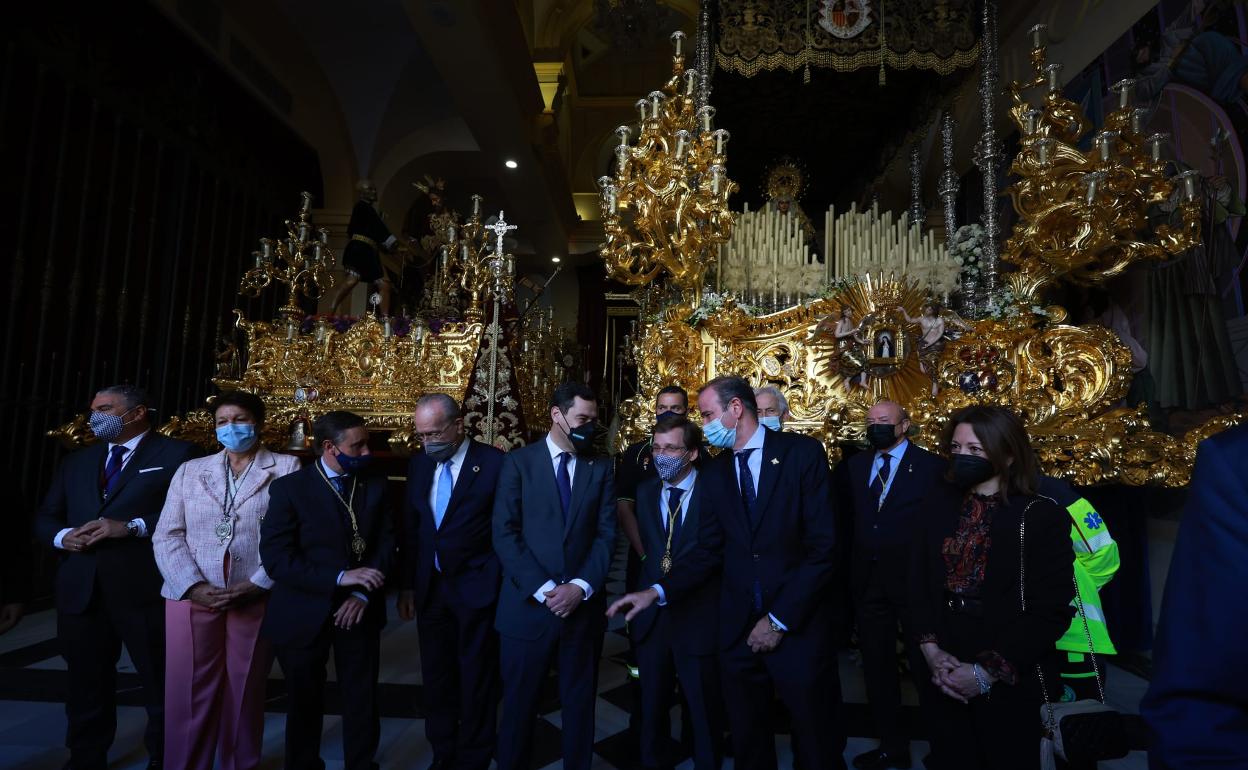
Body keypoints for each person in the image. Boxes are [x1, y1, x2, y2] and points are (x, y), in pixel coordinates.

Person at [609, 375, 846, 770]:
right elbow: (708, 551)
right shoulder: (717, 474)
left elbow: (823, 548)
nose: (704, 425)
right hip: (736, 628)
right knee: (748, 739)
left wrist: (778, 619)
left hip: (796, 621)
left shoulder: (801, 454)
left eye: (706, 414)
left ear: (735, 409)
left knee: (814, 739)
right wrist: (656, 592)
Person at [34, 384, 200, 769]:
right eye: (93, 409)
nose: (95, 417)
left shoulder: (178, 455)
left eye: (105, 408)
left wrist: (133, 526)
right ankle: (85, 758)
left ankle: (166, 758)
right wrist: (63, 536)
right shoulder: (77, 461)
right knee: (85, 685)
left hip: (144, 587)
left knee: (161, 683)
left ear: (137, 412)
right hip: (82, 589)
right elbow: (46, 516)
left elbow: (196, 514)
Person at [909, 406, 1074, 770]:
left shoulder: (1039, 515)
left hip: (1009, 659)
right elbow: (916, 580)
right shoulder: (937, 506)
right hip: (943, 656)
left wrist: (985, 673)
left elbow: (1052, 609)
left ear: (1009, 454)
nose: (961, 457)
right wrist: (932, 652)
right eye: (956, 448)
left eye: (975, 450)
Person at [153, 390, 300, 770]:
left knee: (245, 687)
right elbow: (167, 533)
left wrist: (259, 582)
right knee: (187, 691)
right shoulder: (190, 470)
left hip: (253, 592)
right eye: (222, 422)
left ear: (258, 423)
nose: (230, 428)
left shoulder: (286, 468)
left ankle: (241, 763)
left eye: (239, 419)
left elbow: (295, 535)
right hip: (190, 594)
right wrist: (192, 586)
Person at [260, 410, 395, 770]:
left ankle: (361, 764)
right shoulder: (290, 489)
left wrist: (362, 593)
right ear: (329, 447)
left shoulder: (375, 483)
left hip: (360, 608)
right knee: (304, 699)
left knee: (361, 695)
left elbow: (388, 544)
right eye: (358, 445)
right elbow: (277, 559)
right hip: (303, 610)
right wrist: (339, 578)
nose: (367, 452)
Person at [493, 382, 618, 770]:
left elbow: (606, 534)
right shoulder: (519, 463)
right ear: (557, 415)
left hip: (581, 610)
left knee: (580, 705)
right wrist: (549, 590)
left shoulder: (601, 467)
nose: (590, 427)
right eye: (582, 419)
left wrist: (579, 588)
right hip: (527, 608)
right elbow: (505, 533)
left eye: (594, 420)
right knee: (518, 706)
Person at [397, 394, 504, 770]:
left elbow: (504, 529)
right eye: (422, 435)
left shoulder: (493, 464)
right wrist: (408, 585)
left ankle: (475, 754)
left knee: (476, 675)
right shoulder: (419, 465)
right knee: (437, 675)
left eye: (435, 433)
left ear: (459, 425)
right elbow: (413, 529)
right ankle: (443, 751)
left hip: (476, 587)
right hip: (431, 589)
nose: (428, 443)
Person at [1141, 422, 1248, 768]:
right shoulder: (1236, 463)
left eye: (975, 448)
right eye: (964, 448)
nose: (965, 457)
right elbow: (1202, 704)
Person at [848, 401, 945, 770]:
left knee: (928, 667)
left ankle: (943, 748)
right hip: (869, 582)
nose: (876, 427)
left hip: (915, 581)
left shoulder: (932, 467)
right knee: (876, 668)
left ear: (904, 425)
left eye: (884, 421)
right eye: (871, 421)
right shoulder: (855, 467)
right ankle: (892, 747)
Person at [628, 414, 722, 770]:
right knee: (651, 708)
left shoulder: (715, 489)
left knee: (702, 709)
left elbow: (712, 554)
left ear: (693, 453)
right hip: (653, 621)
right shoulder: (645, 490)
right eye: (656, 447)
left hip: (697, 616)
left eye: (671, 448)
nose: (661, 455)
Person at [614, 385, 689, 749]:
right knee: (642, 649)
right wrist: (646, 553)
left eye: (675, 407)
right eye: (662, 407)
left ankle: (694, 730)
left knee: (689, 648)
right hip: (644, 560)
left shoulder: (699, 450)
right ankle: (643, 724)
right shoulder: (636, 453)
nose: (668, 412)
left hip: (688, 568)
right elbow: (624, 506)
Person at [1036, 477, 1119, 703]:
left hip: (1071, 641)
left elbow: (1103, 558)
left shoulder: (1054, 495)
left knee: (1072, 728)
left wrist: (1067, 589)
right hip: (1014, 640)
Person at [330, 179, 398, 316]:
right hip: (362, 250)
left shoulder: (366, 209)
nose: (374, 192)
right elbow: (378, 228)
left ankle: (385, 319)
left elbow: (372, 229)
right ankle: (331, 310)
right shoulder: (362, 207)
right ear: (362, 193)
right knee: (354, 280)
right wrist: (391, 242)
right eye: (370, 189)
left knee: (382, 284)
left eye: (374, 189)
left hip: (367, 251)